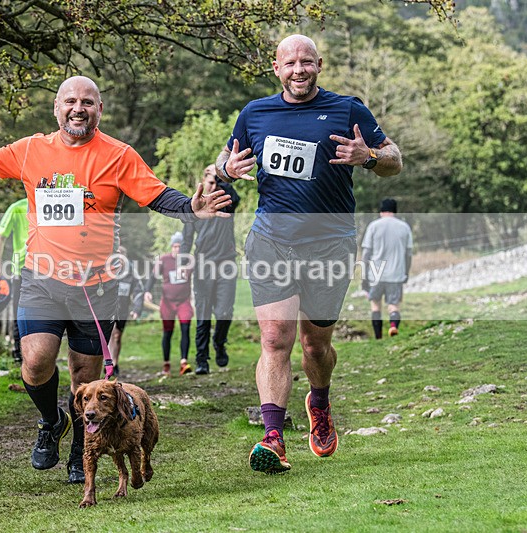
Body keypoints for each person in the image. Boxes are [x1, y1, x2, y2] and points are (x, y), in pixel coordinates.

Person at [0, 75, 230, 485]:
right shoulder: (31, 150)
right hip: (42, 280)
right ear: (57, 109)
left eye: (87, 102)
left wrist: (191, 206)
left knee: (86, 379)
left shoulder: (118, 155)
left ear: (99, 110)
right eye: (70, 101)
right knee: (35, 361)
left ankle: (83, 452)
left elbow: (155, 194)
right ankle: (51, 420)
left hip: (97, 287)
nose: (78, 108)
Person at [216, 34, 403, 474]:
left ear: (319, 64)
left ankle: (319, 402)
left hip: (329, 243)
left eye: (306, 62)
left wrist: (369, 156)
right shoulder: (255, 113)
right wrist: (227, 169)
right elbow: (222, 162)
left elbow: (395, 158)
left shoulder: (348, 108)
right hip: (271, 241)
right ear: (276, 68)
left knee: (314, 346)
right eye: (289, 63)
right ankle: (273, 437)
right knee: (274, 339)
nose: (298, 70)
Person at [182, 164, 240, 375]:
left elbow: (234, 195)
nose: (215, 184)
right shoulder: (194, 206)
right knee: (204, 314)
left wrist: (221, 173)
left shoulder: (226, 202)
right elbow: (187, 239)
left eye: (218, 181)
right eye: (211, 180)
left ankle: (219, 341)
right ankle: (201, 360)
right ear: (203, 180)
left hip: (226, 263)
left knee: (224, 311)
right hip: (203, 265)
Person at [144, 231, 194, 377]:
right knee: (168, 332)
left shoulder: (189, 260)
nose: (178, 249)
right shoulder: (164, 260)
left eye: (181, 247)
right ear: (172, 247)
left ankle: (184, 363)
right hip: (167, 302)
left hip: (184, 301)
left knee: (185, 328)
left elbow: (199, 280)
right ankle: (166, 365)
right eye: (176, 246)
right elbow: (153, 277)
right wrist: (147, 290)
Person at [361, 198, 413, 339]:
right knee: (394, 306)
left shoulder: (373, 226)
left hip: (375, 274)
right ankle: (393, 327)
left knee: (376, 305)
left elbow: (366, 254)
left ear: (381, 211)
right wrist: (406, 272)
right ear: (395, 211)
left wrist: (364, 276)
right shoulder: (404, 227)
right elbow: (408, 254)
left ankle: (378, 338)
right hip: (396, 274)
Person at [0, 198, 30, 363]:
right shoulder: (17, 208)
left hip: (48, 269)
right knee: (19, 313)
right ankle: (18, 354)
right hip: (21, 269)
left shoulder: (52, 202)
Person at [107, 246, 144, 378]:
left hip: (122, 309)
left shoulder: (130, 273)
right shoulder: (107, 271)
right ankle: (108, 363)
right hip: (107, 309)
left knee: (117, 336)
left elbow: (139, 291)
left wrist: (136, 309)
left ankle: (115, 363)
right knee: (110, 333)